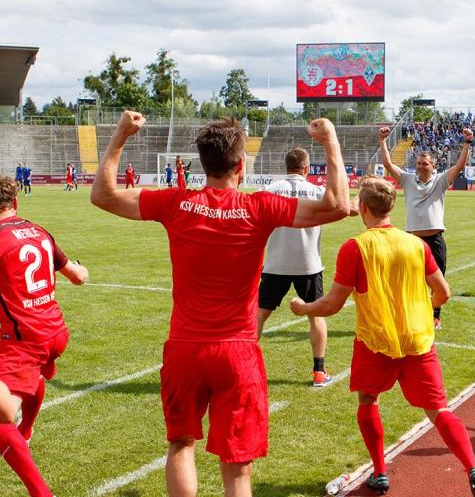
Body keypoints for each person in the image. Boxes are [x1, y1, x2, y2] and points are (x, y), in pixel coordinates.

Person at [90, 111, 349, 497]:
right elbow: (338, 205)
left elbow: (102, 195)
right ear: (241, 166)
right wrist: (330, 142)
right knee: (237, 469)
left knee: (181, 445)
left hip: (184, 350)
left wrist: (120, 136)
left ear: (202, 164)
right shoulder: (259, 207)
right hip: (237, 353)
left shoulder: (176, 202)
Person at [289, 176, 475, 497]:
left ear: (363, 208)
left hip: (375, 340)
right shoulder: (417, 245)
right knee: (439, 409)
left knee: (369, 400)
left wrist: (303, 308)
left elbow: (332, 304)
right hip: (417, 340)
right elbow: (443, 292)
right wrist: (421, 310)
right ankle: (473, 467)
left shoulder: (355, 247)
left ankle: (380, 472)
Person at [0, 173, 88, 496]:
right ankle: (26, 430)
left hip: (24, 342)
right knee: (35, 376)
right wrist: (82, 269)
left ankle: (42, 493)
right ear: (16, 201)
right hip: (56, 333)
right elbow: (78, 276)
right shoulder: (40, 231)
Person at [379, 125, 473, 329]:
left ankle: (435, 316)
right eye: (419, 163)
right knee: (410, 280)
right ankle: (411, 314)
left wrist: (467, 143)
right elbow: (387, 163)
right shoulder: (407, 179)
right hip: (412, 239)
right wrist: (383, 141)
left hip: (435, 238)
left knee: (437, 281)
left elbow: (459, 166)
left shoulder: (440, 180)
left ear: (433, 165)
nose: (421, 166)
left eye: (425, 164)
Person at [258, 148, 332, 387]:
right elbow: (344, 206)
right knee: (316, 316)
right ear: (307, 169)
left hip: (275, 263)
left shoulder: (269, 190)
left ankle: (243, 366)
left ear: (286, 167)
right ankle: (319, 372)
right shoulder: (318, 191)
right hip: (308, 264)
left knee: (259, 315)